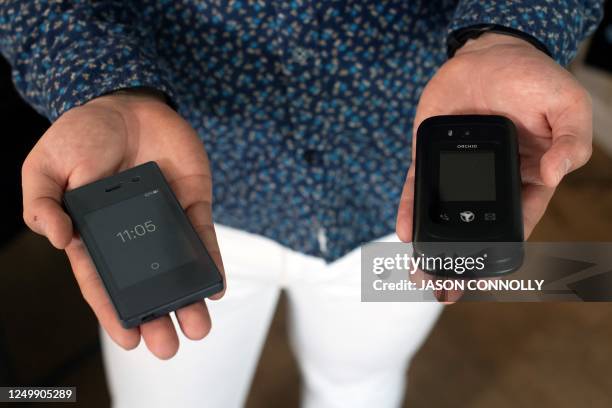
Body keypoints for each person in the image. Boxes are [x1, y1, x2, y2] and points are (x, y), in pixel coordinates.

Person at [0, 1, 602, 407]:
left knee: (359, 382)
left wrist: (511, 31)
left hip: (403, 199)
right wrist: (95, 85)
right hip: (182, 192)